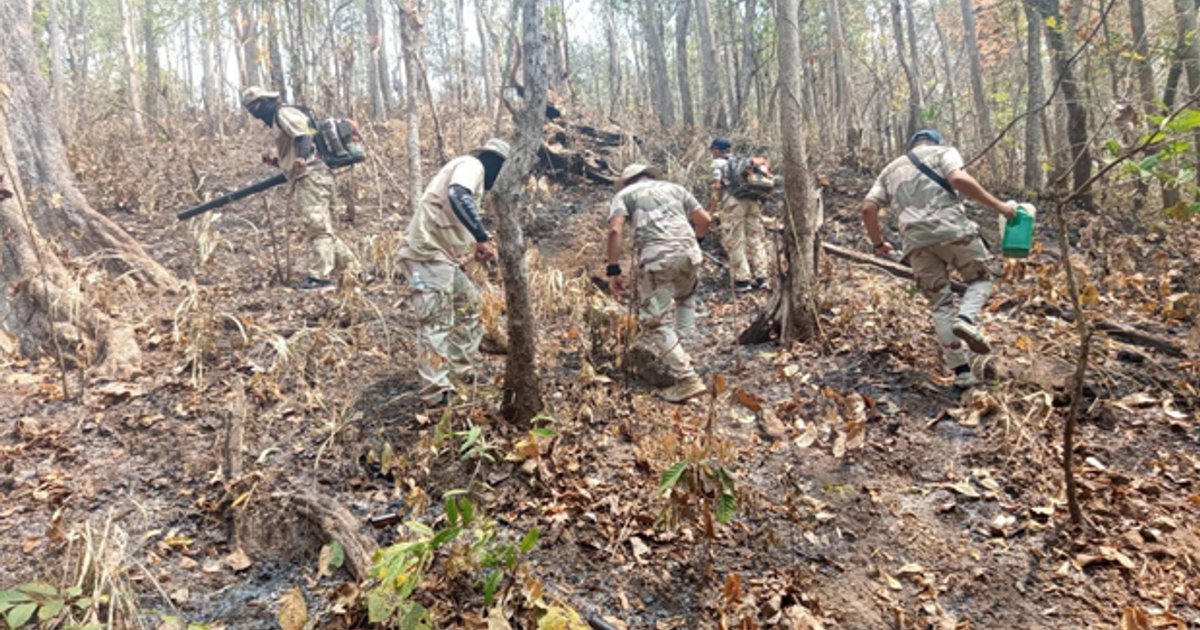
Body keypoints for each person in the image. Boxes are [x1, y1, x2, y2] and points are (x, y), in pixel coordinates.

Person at [860, 129, 1017, 388]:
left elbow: (868, 208)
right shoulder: (944, 152)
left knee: (940, 304)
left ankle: (962, 373)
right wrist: (999, 206)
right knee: (981, 280)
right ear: (935, 142)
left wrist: (878, 243)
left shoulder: (890, 169)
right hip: (954, 231)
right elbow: (958, 179)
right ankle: (966, 319)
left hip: (916, 243)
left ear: (911, 145)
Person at [399, 138, 510, 408]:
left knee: (471, 305)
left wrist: (468, 250)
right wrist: (481, 236)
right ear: (496, 163)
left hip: (443, 258)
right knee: (436, 321)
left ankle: (459, 371)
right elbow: (457, 195)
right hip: (426, 255)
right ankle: (436, 392)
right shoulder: (472, 166)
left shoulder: (475, 178)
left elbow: (451, 214)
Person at [606, 163, 714, 403]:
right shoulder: (676, 188)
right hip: (690, 253)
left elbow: (615, 231)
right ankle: (683, 353)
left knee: (653, 321)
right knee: (685, 298)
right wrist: (694, 244)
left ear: (627, 181)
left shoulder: (624, 195)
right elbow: (705, 220)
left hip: (658, 258)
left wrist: (613, 268)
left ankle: (687, 379)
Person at [241, 86, 360, 291]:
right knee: (322, 229)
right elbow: (297, 149)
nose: (255, 113)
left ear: (265, 102)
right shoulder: (279, 119)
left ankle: (320, 279)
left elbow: (305, 137)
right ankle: (355, 271)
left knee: (318, 229)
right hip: (314, 177)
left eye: (256, 107)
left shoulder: (283, 113)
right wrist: (278, 162)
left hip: (311, 177)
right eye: (251, 109)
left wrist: (302, 158)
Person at [710, 137, 769, 291]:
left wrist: (712, 210)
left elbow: (717, 187)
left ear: (716, 150)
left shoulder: (718, 163)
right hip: (754, 202)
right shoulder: (743, 162)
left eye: (712, 151)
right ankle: (761, 276)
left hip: (734, 203)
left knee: (735, 239)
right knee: (755, 237)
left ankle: (742, 280)